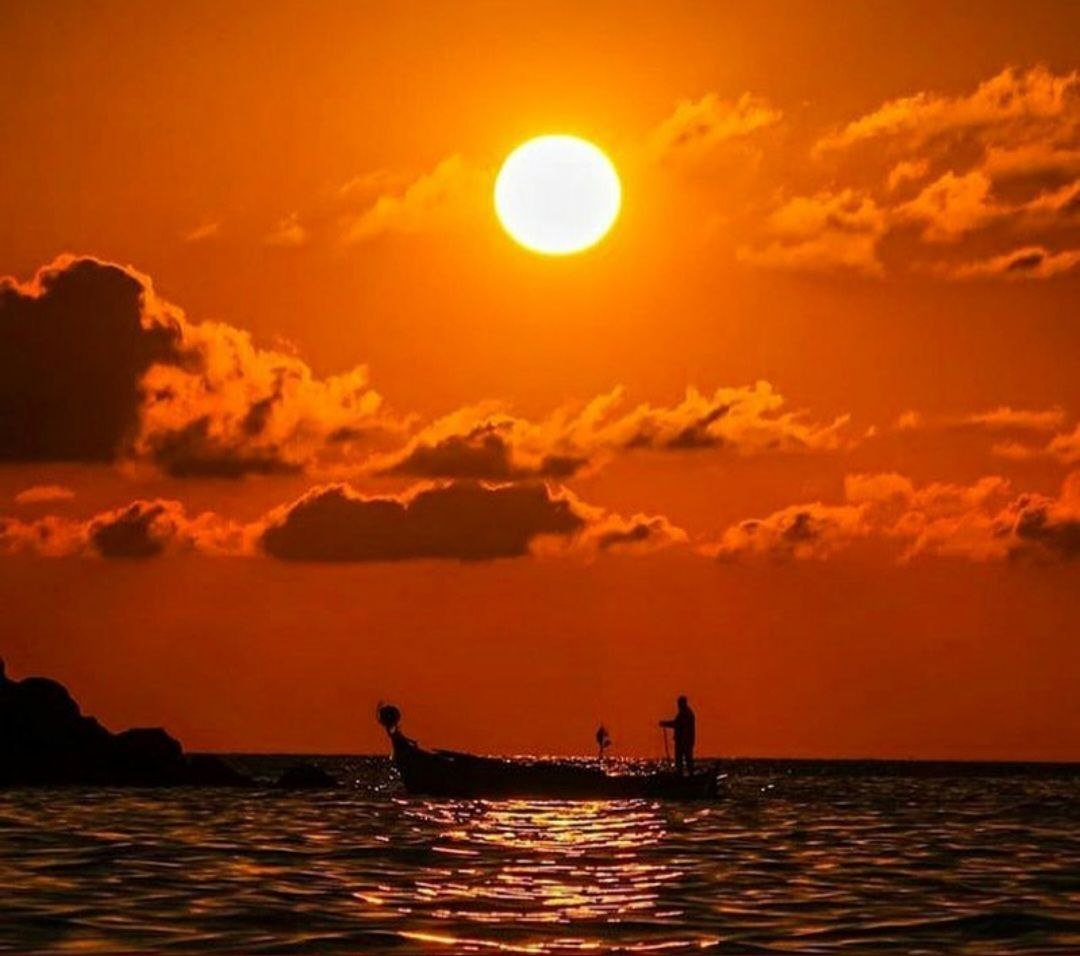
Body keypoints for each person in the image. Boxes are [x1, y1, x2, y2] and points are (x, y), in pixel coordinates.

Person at [659, 696, 696, 775]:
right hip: (684, 741)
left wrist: (664, 724)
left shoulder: (686, 714)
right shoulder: (684, 713)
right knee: (684, 759)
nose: (678, 705)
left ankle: (685, 776)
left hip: (684, 742)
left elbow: (677, 724)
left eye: (679, 704)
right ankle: (685, 775)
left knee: (683, 759)